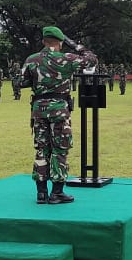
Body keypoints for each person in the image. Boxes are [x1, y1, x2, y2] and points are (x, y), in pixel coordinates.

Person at [20, 26, 95, 205]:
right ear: (61, 42)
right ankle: (57, 193)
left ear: (43, 41)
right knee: (60, 149)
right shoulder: (67, 58)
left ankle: (41, 193)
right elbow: (91, 61)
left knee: (41, 148)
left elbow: (21, 82)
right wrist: (77, 47)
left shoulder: (32, 59)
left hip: (38, 109)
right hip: (60, 109)